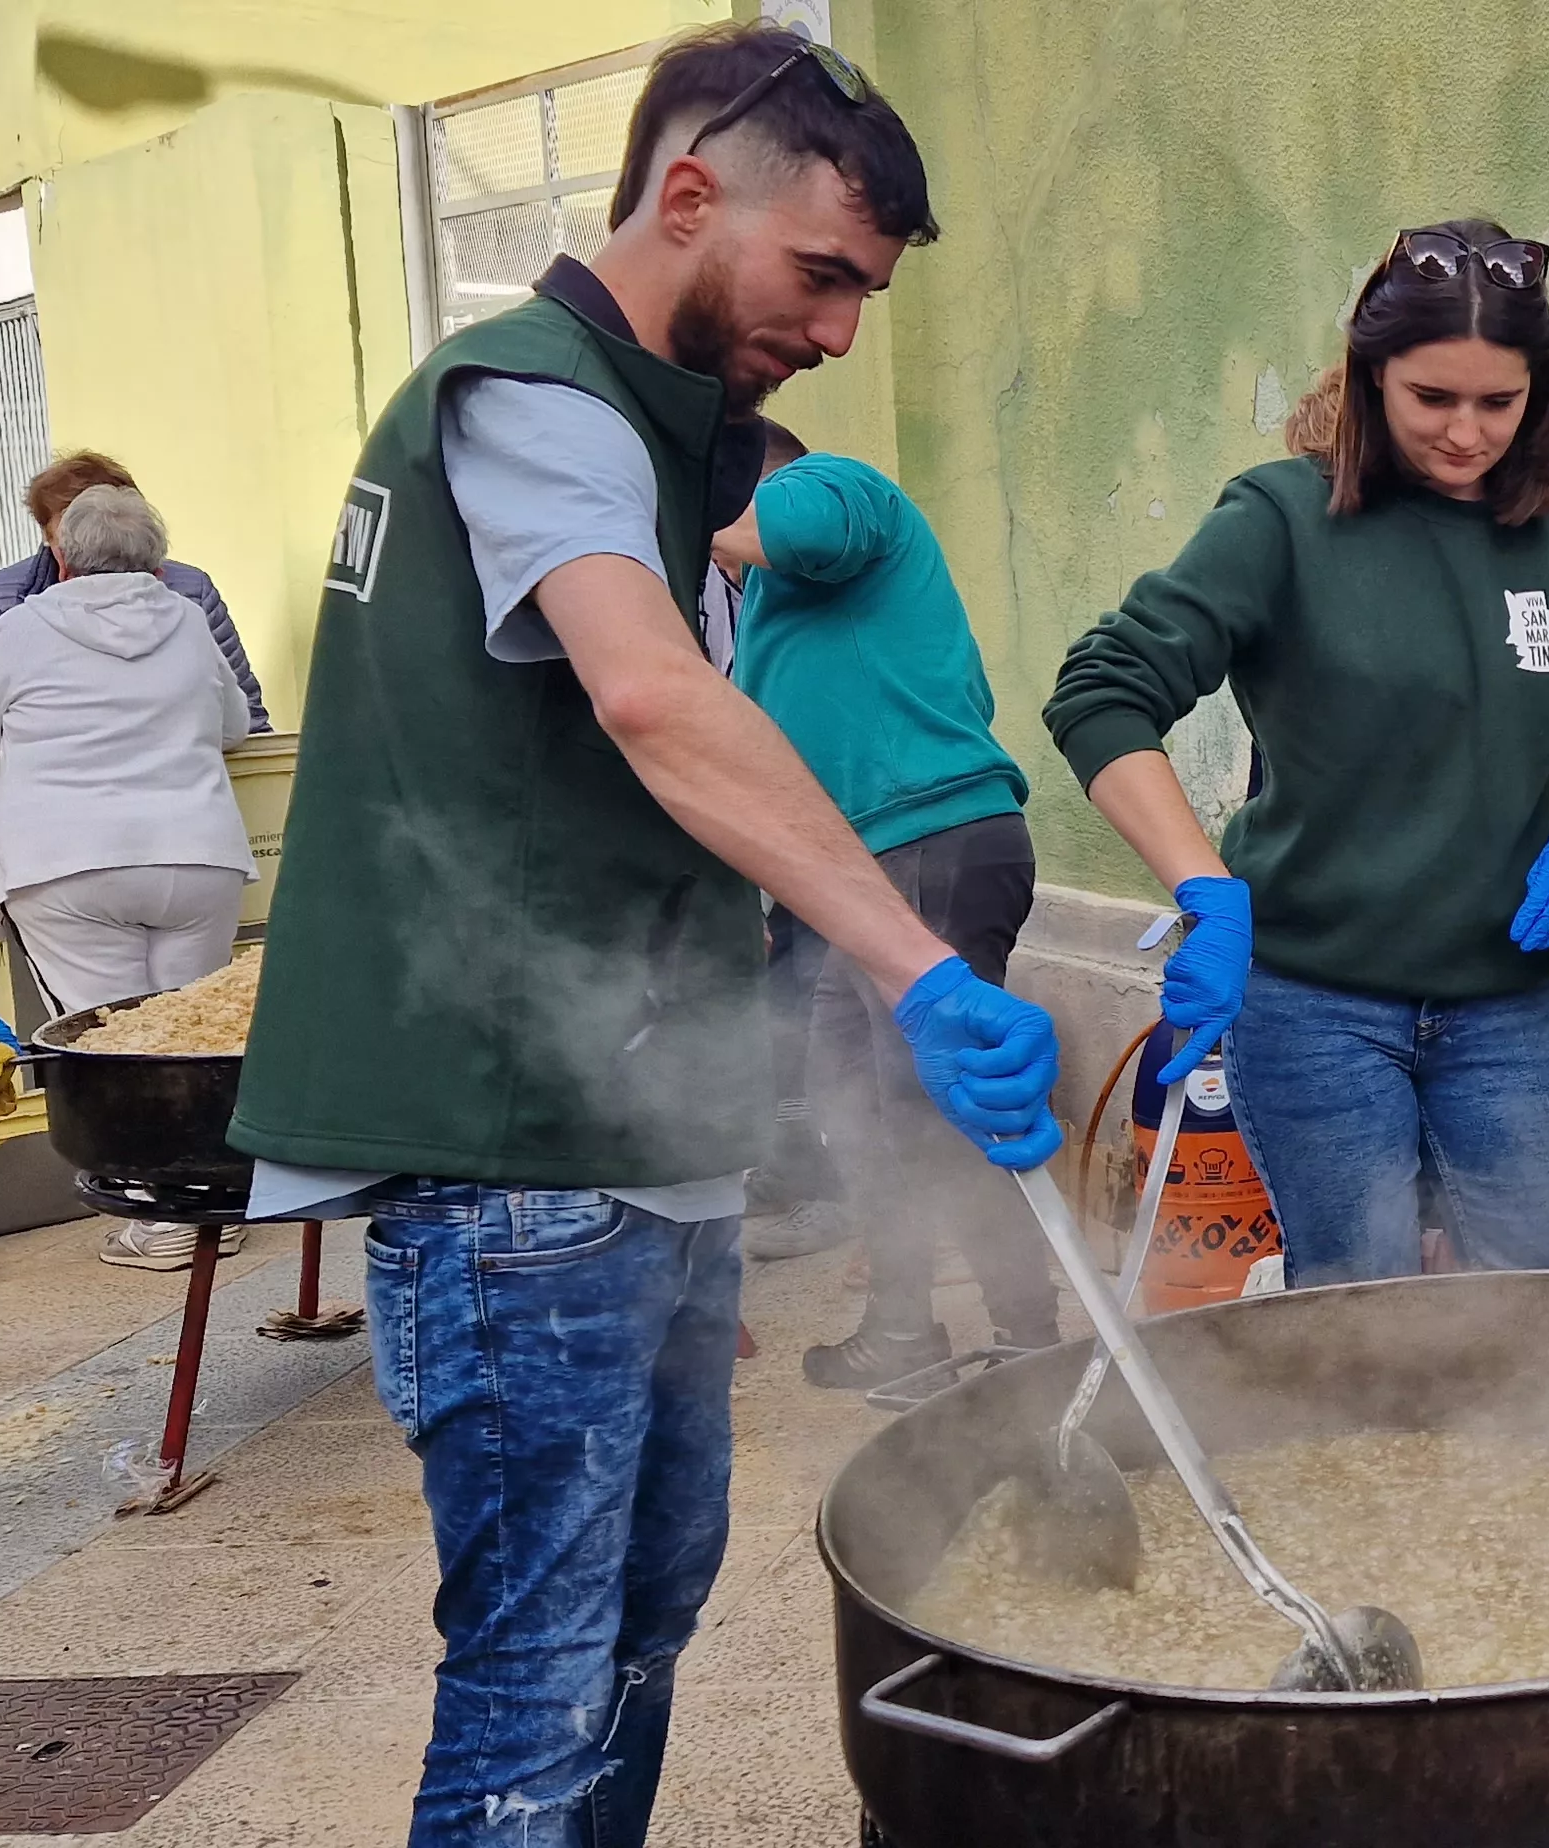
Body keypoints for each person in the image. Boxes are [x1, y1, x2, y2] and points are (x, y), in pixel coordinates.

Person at [227, 28, 1060, 1846]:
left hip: (631, 1138)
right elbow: (652, 704)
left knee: (632, 1629)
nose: (842, 331)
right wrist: (912, 967)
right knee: (536, 1683)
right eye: (822, 274)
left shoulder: (653, 438)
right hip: (518, 1151)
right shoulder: (534, 394)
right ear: (688, 194)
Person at [1046, 219, 1549, 1286]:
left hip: (1509, 1006)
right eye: (1430, 399)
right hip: (1317, 1003)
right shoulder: (1283, 522)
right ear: (1370, 376)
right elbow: (1100, 694)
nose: (1466, 434)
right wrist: (1205, 891)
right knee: (1363, 1316)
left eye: (1499, 403)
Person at [709, 418, 1049, 1387]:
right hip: (860, 875)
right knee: (850, 1103)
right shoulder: (784, 618)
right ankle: (902, 1335)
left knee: (940, 1109)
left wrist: (690, 499)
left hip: (928, 844)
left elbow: (800, 524)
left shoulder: (841, 490)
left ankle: (1030, 1344)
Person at [0, 484, 256, 1273]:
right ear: (158, 555)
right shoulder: (186, 618)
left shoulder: (26, 625)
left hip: (66, 861)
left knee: (108, 1042)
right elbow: (236, 725)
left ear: (63, 554)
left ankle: (163, 1219)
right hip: (194, 854)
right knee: (192, 1045)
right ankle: (217, 1202)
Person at [0, 452, 272, 730]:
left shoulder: (192, 592)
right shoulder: (4, 598)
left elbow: (246, 716)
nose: (94, 526)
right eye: (77, 516)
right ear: (47, 534)